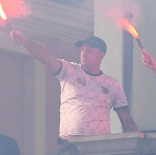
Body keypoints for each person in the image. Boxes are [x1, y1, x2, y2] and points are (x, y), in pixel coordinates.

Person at [10, 31, 138, 139]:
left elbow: (125, 118)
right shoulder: (68, 70)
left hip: (100, 145)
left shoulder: (112, 83)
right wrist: (25, 41)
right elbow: (46, 58)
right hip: (70, 141)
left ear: (101, 55)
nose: (84, 53)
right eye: (82, 49)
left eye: (89, 50)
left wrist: (136, 143)